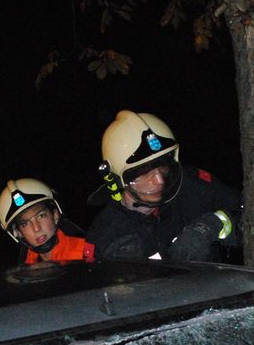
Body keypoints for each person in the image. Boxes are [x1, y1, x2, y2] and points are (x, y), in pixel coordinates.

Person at [86, 110, 242, 261]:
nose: (159, 180)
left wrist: (210, 226)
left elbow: (249, 214)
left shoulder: (193, 187)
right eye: (144, 171)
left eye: (163, 166)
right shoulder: (106, 236)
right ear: (116, 179)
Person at [0, 178, 94, 264]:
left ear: (55, 215)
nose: (36, 228)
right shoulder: (23, 269)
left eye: (41, 216)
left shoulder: (87, 253)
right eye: (25, 223)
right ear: (17, 233)